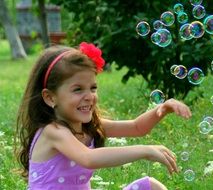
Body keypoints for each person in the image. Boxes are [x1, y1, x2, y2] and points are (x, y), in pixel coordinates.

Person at [15, 42, 192, 190]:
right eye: (77, 89)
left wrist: (162, 109)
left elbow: (137, 127)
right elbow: (88, 158)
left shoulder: (89, 127)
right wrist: (144, 151)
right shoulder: (53, 131)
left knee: (150, 186)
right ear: (50, 97)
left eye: (92, 88)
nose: (89, 96)